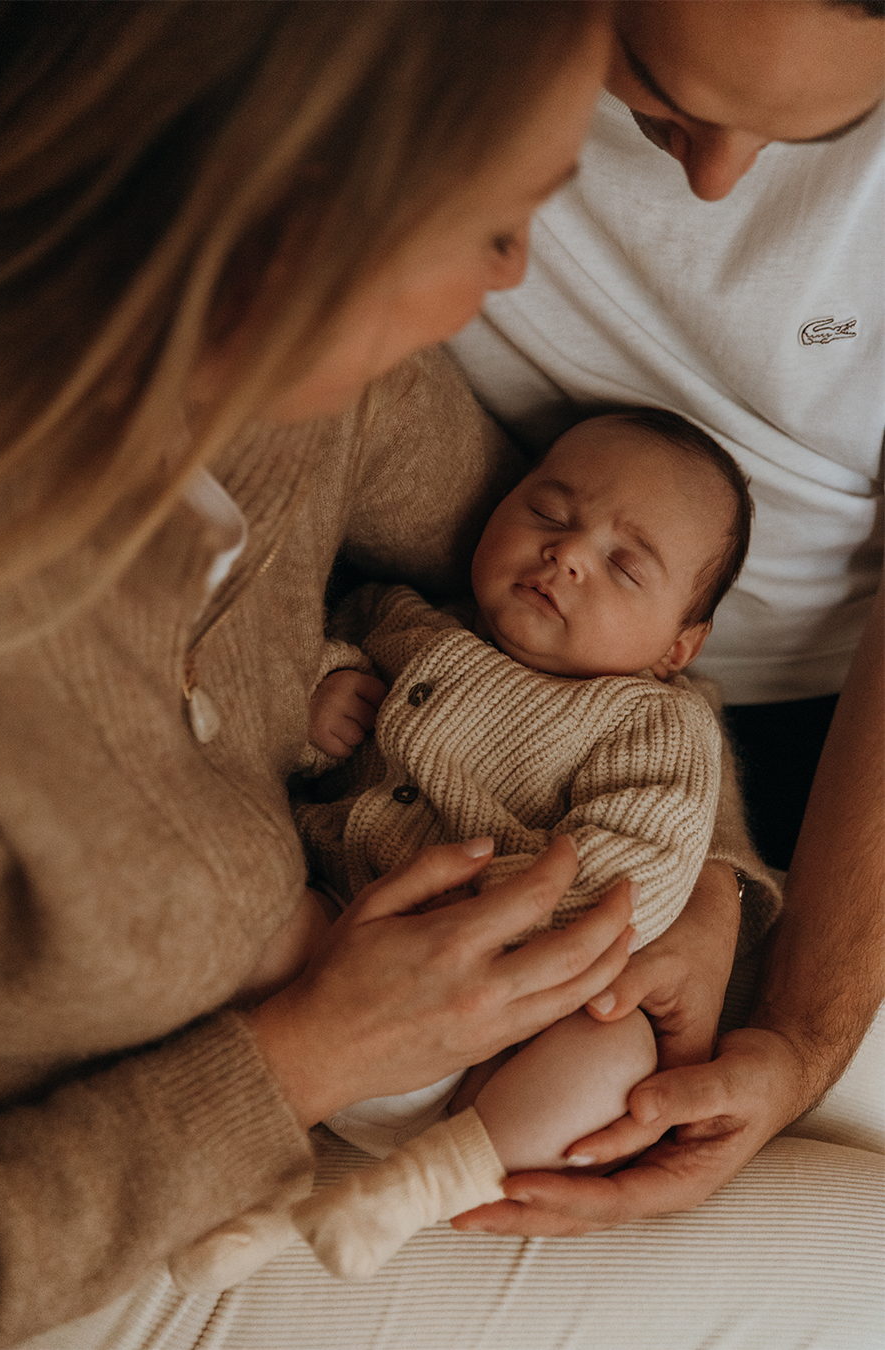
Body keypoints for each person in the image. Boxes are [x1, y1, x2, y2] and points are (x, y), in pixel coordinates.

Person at [0, 4, 881, 1350]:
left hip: (392, 1024)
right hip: (107, 1205)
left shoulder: (332, 403)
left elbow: (602, 644)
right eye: (495, 224)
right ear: (307, 211)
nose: (511, 287)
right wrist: (306, 1057)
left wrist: (702, 888)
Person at [447, 0, 885, 1251]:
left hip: (820, 719)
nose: (714, 178)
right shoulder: (392, 66)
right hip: (463, 614)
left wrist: (795, 1029)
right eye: (652, 80)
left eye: (808, 132)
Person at [169, 405, 781, 1292]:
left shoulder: (656, 720)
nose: (568, 555)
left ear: (676, 647)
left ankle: (414, 1187)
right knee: (243, 914)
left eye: (622, 565)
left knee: (613, 1064)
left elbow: (639, 866)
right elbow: (273, 676)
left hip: (502, 1025)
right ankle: (256, 1180)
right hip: (331, 948)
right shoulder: (400, 620)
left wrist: (480, 918)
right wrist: (319, 697)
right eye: (550, 513)